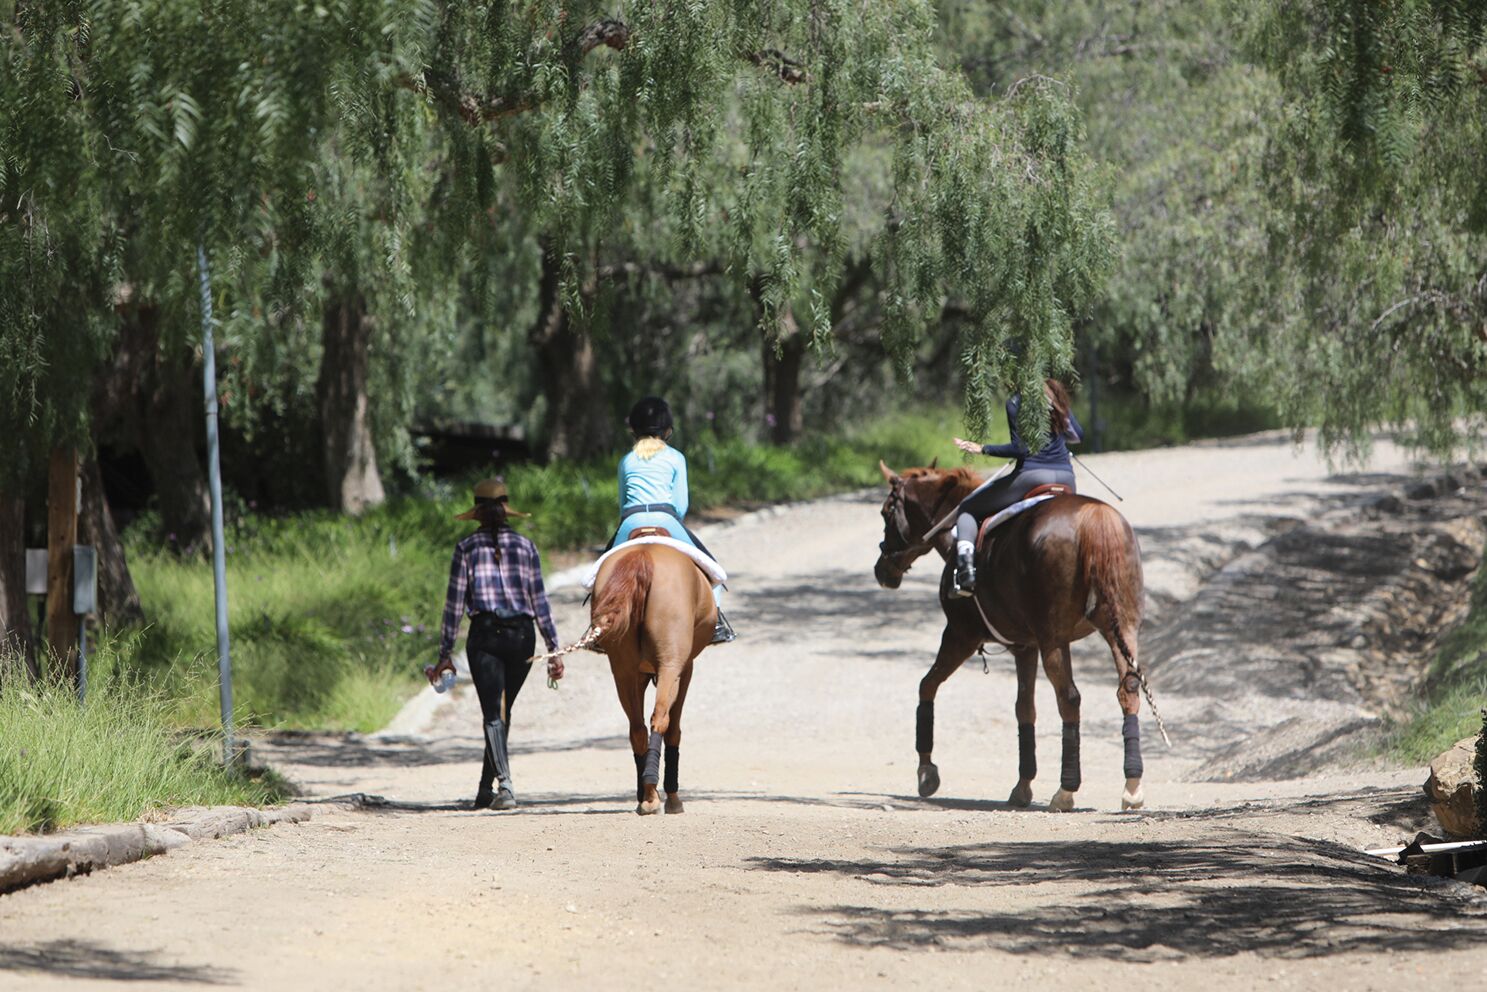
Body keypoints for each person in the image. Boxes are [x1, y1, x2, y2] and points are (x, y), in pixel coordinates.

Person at [428, 478, 561, 811]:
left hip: (485, 636)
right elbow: (539, 600)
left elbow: (454, 604)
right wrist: (553, 647)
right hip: (522, 636)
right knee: (502, 711)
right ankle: (485, 789)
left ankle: (506, 787)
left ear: (477, 513)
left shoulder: (466, 549)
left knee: (493, 712)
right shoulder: (526, 546)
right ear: (506, 510)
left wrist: (445, 652)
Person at [612, 396, 735, 644]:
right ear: (667, 430)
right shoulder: (676, 457)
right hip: (666, 519)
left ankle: (598, 626)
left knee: (603, 573)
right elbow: (681, 505)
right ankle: (716, 623)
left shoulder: (626, 461)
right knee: (713, 570)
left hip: (630, 522)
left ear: (633, 430)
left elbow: (622, 501)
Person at [949, 379, 1083, 597]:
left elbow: (1020, 449)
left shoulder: (1016, 401)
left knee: (968, 508)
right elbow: (1078, 435)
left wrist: (983, 448)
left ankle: (965, 573)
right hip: (1067, 477)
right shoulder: (1055, 398)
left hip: (1032, 475)